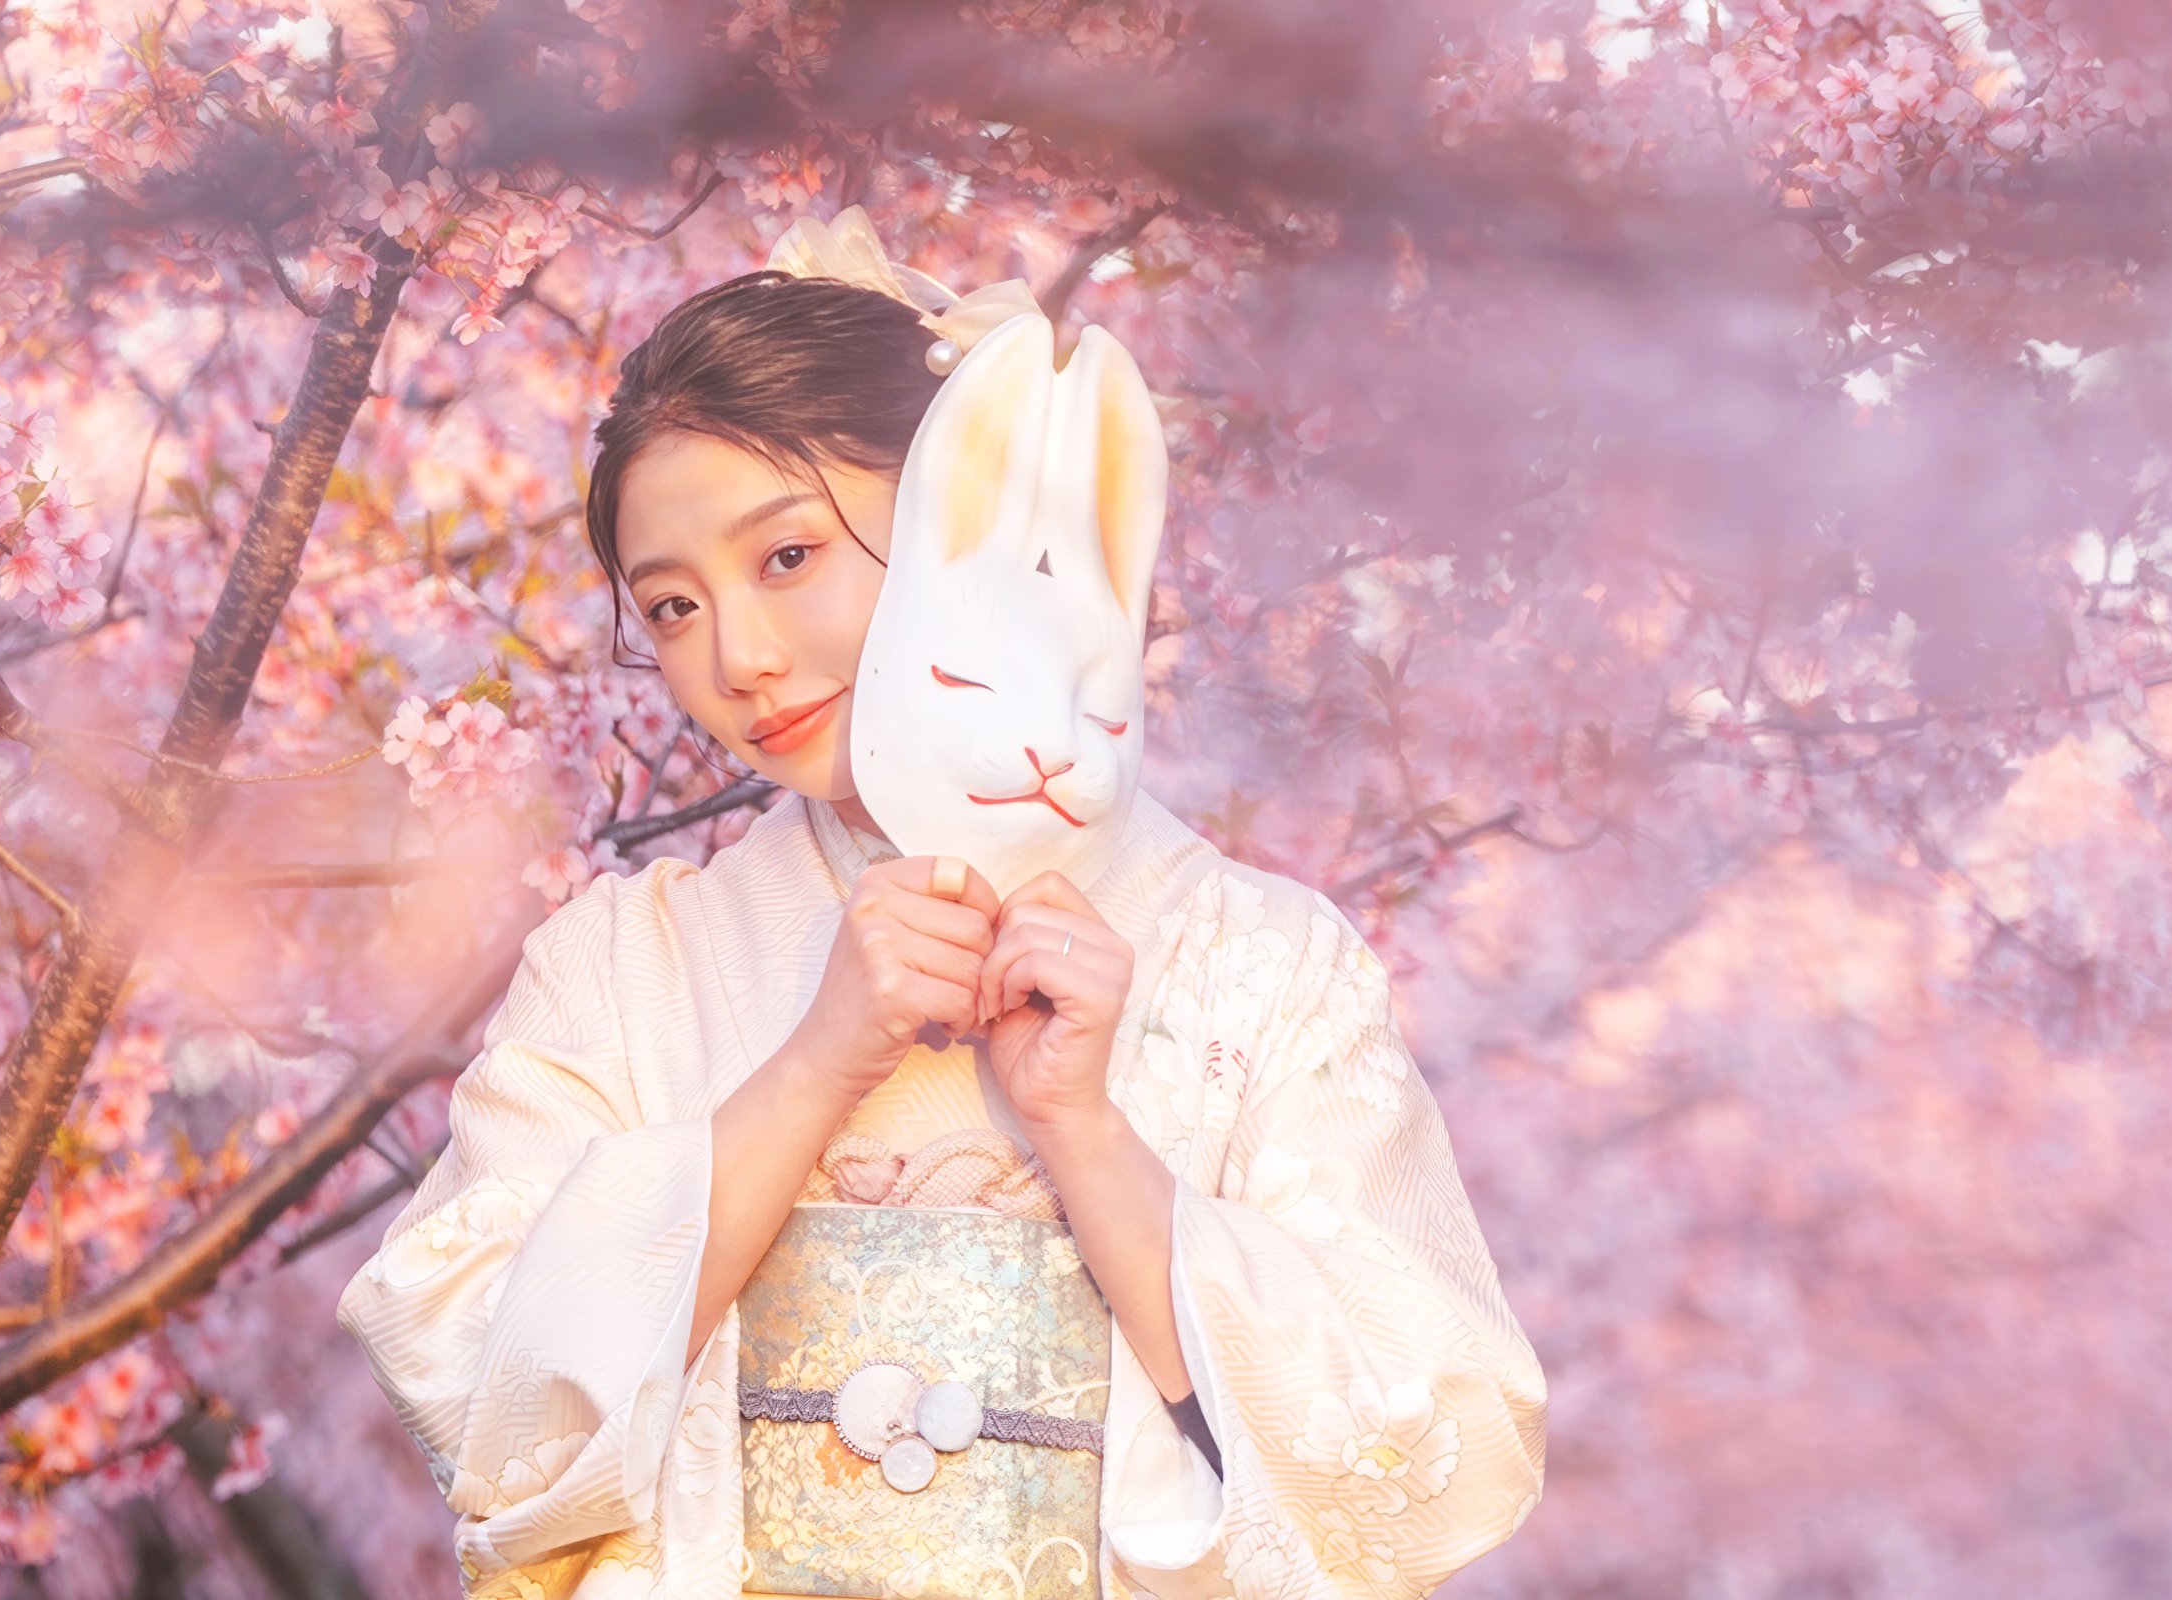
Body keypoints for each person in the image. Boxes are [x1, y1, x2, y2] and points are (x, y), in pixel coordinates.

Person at [339, 260, 1549, 1599]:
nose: (736, 655)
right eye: (672, 607)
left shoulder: (1260, 961)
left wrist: (1088, 1135)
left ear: (959, 516)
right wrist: (816, 1066)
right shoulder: (618, 966)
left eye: (787, 556)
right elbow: (470, 1383)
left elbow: (1432, 1440)